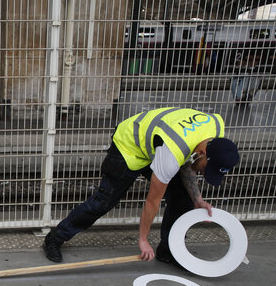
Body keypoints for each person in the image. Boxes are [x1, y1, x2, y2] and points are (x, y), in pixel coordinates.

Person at [43, 107, 240, 265]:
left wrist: (197, 200)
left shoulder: (216, 131)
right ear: (204, 152)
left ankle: (168, 250)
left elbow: (189, 162)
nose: (205, 174)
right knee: (104, 201)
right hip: (129, 145)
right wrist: (143, 240)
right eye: (207, 169)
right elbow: (152, 201)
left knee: (183, 198)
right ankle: (54, 238)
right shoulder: (173, 153)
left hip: (156, 146)